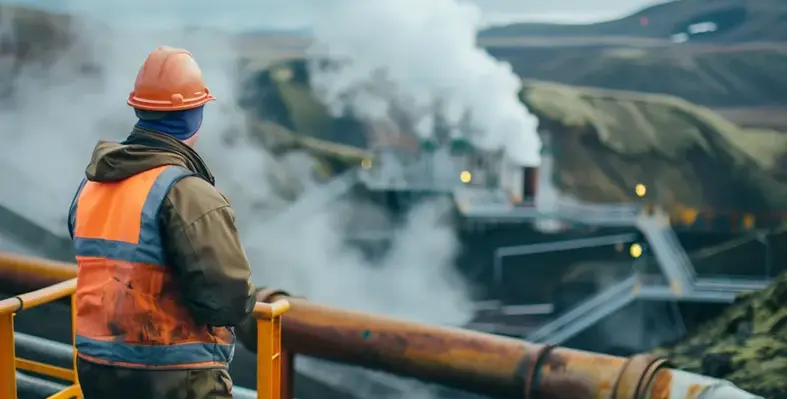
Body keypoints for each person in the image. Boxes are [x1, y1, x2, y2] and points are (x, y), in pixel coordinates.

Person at [67, 46, 256, 399]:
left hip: (97, 372)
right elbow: (227, 301)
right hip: (176, 379)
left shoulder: (91, 185)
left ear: (139, 109)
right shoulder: (187, 193)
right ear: (196, 113)